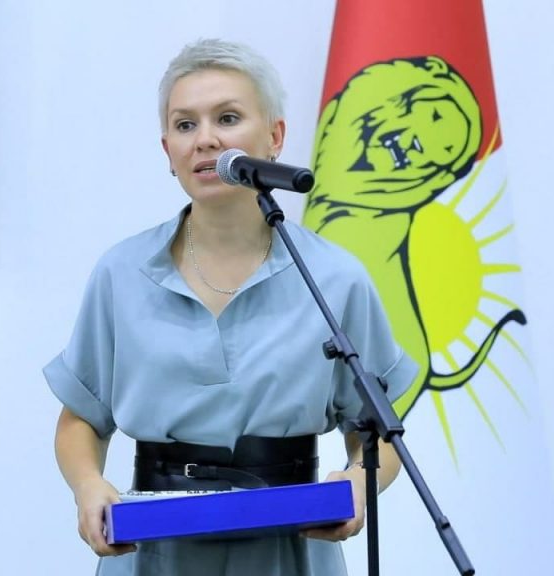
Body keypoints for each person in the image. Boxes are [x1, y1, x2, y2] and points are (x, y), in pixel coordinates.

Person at [43, 38, 418, 576]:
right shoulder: (121, 273)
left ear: (275, 136)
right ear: (167, 149)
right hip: (155, 550)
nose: (206, 139)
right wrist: (88, 486)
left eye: (227, 118)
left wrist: (359, 483)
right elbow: (81, 418)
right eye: (185, 124)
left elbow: (378, 431)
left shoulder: (333, 277)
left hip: (292, 547)